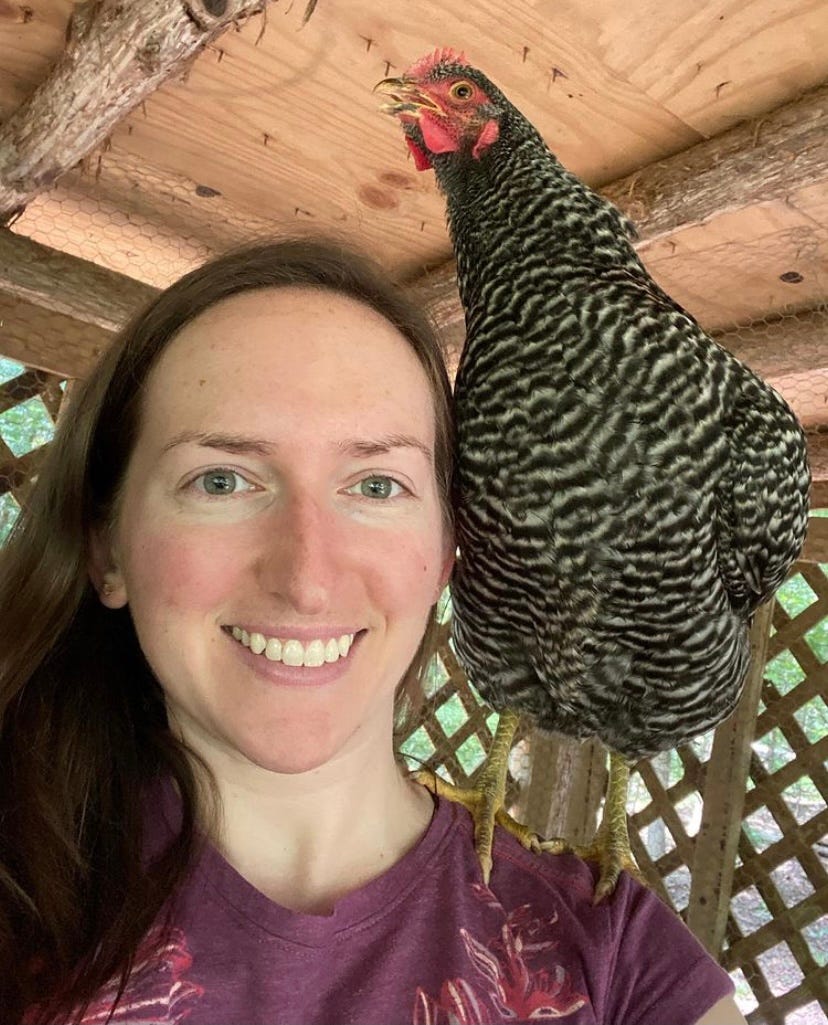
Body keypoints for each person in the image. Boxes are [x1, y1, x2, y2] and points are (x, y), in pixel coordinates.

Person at [0, 237, 746, 1025]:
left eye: (376, 484)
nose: (307, 575)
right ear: (105, 546)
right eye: (221, 479)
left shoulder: (613, 959)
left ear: (448, 549)